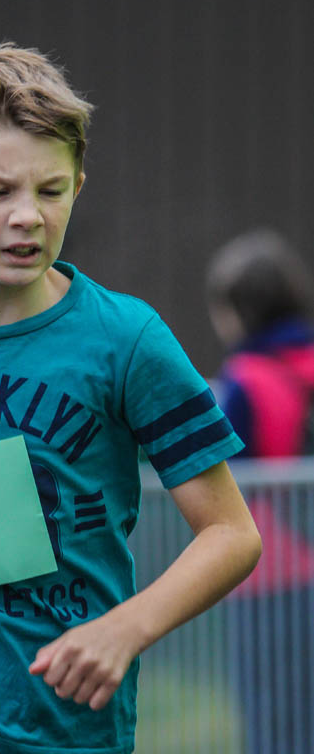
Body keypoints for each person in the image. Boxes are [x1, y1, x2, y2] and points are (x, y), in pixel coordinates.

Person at [0, 40, 262, 754]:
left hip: (72, 714)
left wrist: (125, 629)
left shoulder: (126, 340)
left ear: (77, 187)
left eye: (51, 191)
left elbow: (232, 534)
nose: (28, 216)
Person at [206, 228, 314, 754]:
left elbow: (223, 471)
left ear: (235, 311)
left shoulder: (245, 379)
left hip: (270, 572)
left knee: (272, 720)